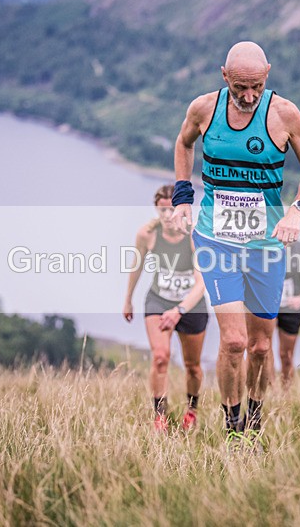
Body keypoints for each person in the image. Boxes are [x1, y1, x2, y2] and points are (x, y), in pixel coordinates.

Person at [170, 41, 300, 447]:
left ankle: (254, 421)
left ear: (268, 74)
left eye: (256, 85)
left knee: (259, 346)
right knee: (234, 341)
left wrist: (296, 211)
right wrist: (183, 198)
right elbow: (183, 144)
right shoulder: (204, 109)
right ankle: (233, 426)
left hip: (266, 245)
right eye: (240, 87)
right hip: (216, 239)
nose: (249, 95)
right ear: (225, 76)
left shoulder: (285, 114)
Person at [123, 184, 209, 433]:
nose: (168, 215)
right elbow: (136, 266)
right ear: (156, 211)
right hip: (158, 300)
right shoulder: (147, 234)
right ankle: (159, 415)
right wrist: (128, 298)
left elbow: (201, 282)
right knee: (160, 357)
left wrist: (179, 310)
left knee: (192, 365)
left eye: (172, 209)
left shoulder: (194, 236)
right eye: (163, 210)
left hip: (190, 306)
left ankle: (191, 411)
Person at [271, 240, 300, 391]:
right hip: (268, 305)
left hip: (291, 309)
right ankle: (268, 391)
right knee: (262, 349)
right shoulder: (264, 245)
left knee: (286, 355)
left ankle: (286, 392)